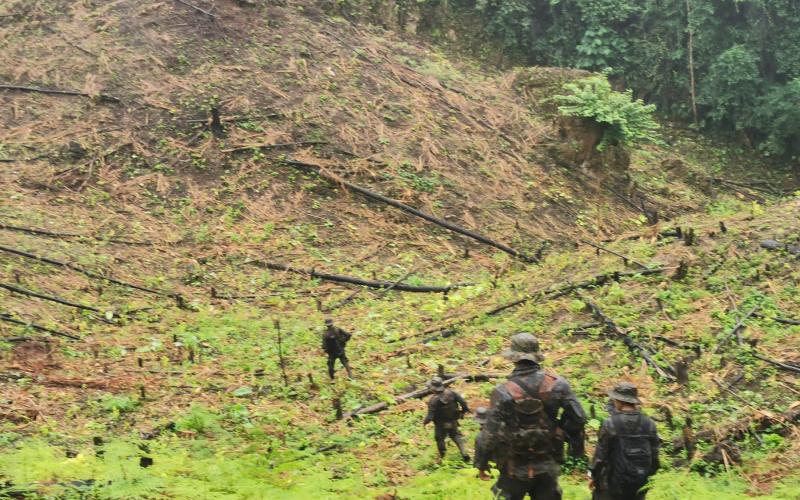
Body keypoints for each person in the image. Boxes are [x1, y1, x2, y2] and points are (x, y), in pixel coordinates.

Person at [482, 333, 587, 500]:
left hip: (513, 466)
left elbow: (489, 433)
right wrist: (559, 431)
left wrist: (482, 463)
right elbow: (579, 417)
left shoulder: (502, 391)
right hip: (547, 462)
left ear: (513, 358)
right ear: (537, 356)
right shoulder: (559, 385)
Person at [589, 382, 660, 500]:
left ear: (619, 401)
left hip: (613, 485)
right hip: (639, 484)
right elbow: (655, 459)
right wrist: (646, 479)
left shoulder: (610, 424)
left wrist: (593, 476)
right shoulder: (649, 424)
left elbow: (600, 456)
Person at [423, 377, 471, 462]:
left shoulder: (433, 401)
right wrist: (463, 411)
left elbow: (430, 417)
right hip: (452, 420)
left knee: (439, 438)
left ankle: (443, 456)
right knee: (455, 436)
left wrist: (424, 422)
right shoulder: (451, 393)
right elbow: (463, 402)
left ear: (433, 388)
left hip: (440, 424)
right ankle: (464, 453)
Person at [473, 407, 494, 480]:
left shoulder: (481, 436)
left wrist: (481, 468)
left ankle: (482, 473)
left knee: (480, 444)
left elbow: (482, 452)